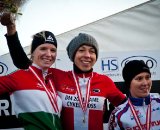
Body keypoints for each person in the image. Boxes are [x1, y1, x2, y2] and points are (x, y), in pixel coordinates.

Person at [1, 13, 126, 130]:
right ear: (73, 54)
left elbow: (127, 107)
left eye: (92, 51)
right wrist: (11, 32)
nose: (87, 55)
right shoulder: (57, 76)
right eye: (81, 50)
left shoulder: (105, 81)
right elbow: (26, 64)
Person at [0, 14, 63, 129]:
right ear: (32, 53)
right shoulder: (18, 77)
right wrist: (11, 29)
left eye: (53, 50)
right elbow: (20, 58)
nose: (49, 54)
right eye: (43, 48)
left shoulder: (54, 77)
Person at [108, 60, 160, 129]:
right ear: (129, 83)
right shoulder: (118, 114)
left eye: (147, 77)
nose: (145, 83)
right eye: (139, 78)